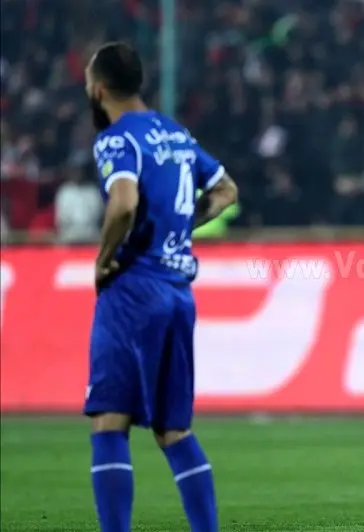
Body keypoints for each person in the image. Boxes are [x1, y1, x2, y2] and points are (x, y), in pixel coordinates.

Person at [83, 42, 238, 532]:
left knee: (109, 421)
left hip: (133, 289)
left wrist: (103, 260)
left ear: (98, 89)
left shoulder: (115, 138)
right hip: (177, 291)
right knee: (174, 429)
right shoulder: (175, 133)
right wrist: (179, 227)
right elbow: (226, 191)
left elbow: (124, 203)